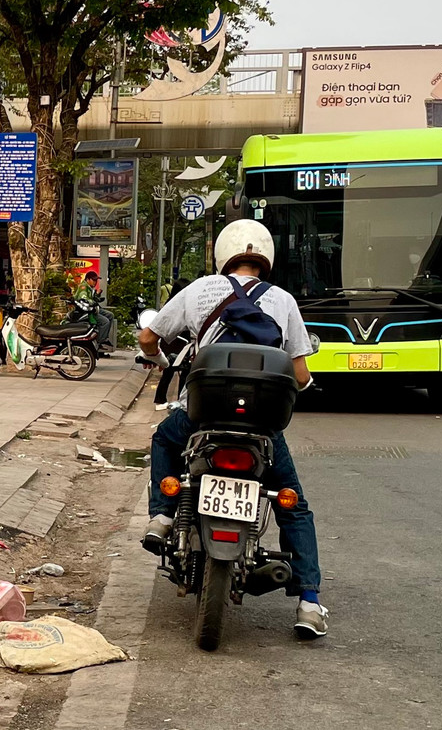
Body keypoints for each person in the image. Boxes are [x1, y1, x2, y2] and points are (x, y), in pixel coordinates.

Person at [138, 219, 326, 639]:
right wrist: (310, 386)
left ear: (223, 255)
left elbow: (149, 337)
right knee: (292, 504)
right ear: (266, 258)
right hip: (262, 427)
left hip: (201, 417)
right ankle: (309, 602)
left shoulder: (199, 290)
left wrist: (161, 360)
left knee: (164, 438)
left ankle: (163, 516)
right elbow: (299, 372)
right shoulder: (284, 300)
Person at [75, 271, 116, 350]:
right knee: (105, 322)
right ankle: (100, 341)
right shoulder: (83, 287)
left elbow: (93, 299)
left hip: (93, 309)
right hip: (86, 312)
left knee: (110, 315)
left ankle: (104, 338)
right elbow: (85, 299)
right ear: (88, 279)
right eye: (93, 280)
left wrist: (97, 294)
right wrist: (93, 302)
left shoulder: (90, 288)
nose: (95, 282)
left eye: (96, 280)